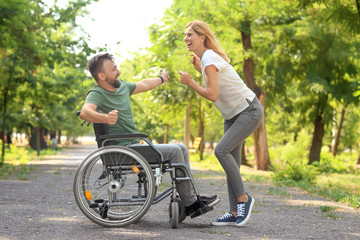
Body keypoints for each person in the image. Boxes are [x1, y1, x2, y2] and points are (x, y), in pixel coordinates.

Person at [79, 53, 219, 219]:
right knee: (175, 151)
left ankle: (189, 200)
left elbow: (143, 84)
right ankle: (190, 204)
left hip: (134, 146)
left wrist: (161, 78)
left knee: (181, 148)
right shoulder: (97, 93)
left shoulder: (122, 86)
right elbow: (85, 112)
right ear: (101, 76)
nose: (119, 72)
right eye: (114, 69)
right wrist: (105, 118)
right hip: (122, 150)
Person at [179, 20, 263, 227]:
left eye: (190, 34)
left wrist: (192, 82)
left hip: (248, 111)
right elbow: (216, 83)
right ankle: (234, 212)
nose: (186, 38)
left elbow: (213, 94)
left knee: (221, 151)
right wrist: (200, 70)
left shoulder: (208, 57)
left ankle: (244, 199)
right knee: (230, 162)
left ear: (202, 37)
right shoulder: (206, 59)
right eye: (185, 35)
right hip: (232, 115)